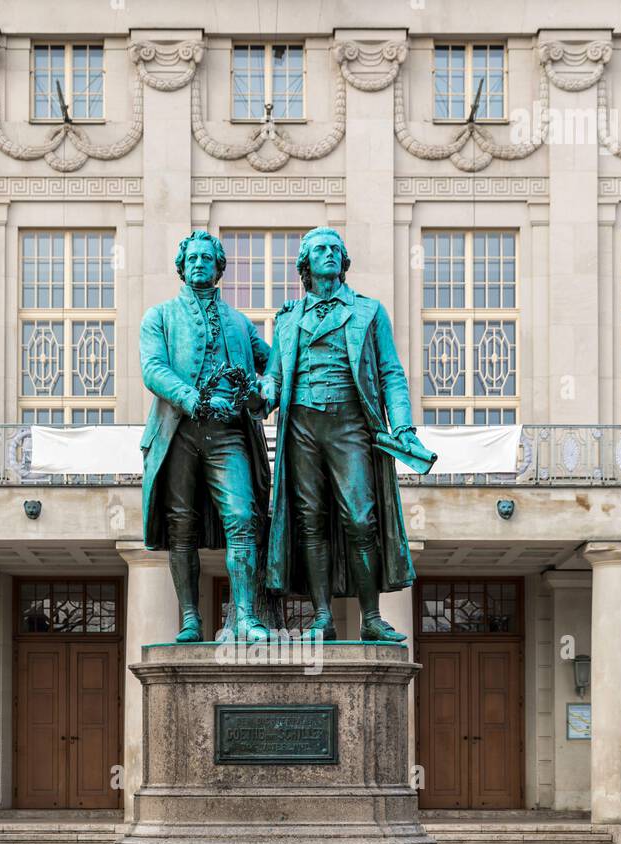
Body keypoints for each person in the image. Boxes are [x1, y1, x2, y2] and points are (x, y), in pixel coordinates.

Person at [261, 226, 419, 641]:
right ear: (305, 264)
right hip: (302, 428)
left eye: (335, 249)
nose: (329, 254)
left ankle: (371, 617)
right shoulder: (288, 318)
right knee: (310, 521)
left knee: (361, 518)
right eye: (319, 250)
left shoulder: (369, 311)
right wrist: (258, 393)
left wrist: (402, 425)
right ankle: (321, 617)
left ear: (343, 262)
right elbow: (274, 379)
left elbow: (391, 374)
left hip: (350, 424)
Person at [140, 230, 271, 642]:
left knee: (244, 518)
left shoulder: (239, 323)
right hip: (179, 431)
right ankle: (191, 617)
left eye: (207, 259)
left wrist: (261, 391)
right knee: (181, 526)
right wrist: (191, 397)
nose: (199, 264)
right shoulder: (159, 317)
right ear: (182, 266)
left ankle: (246, 617)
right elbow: (153, 369)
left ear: (219, 268)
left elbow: (273, 370)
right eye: (192, 258)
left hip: (228, 433)